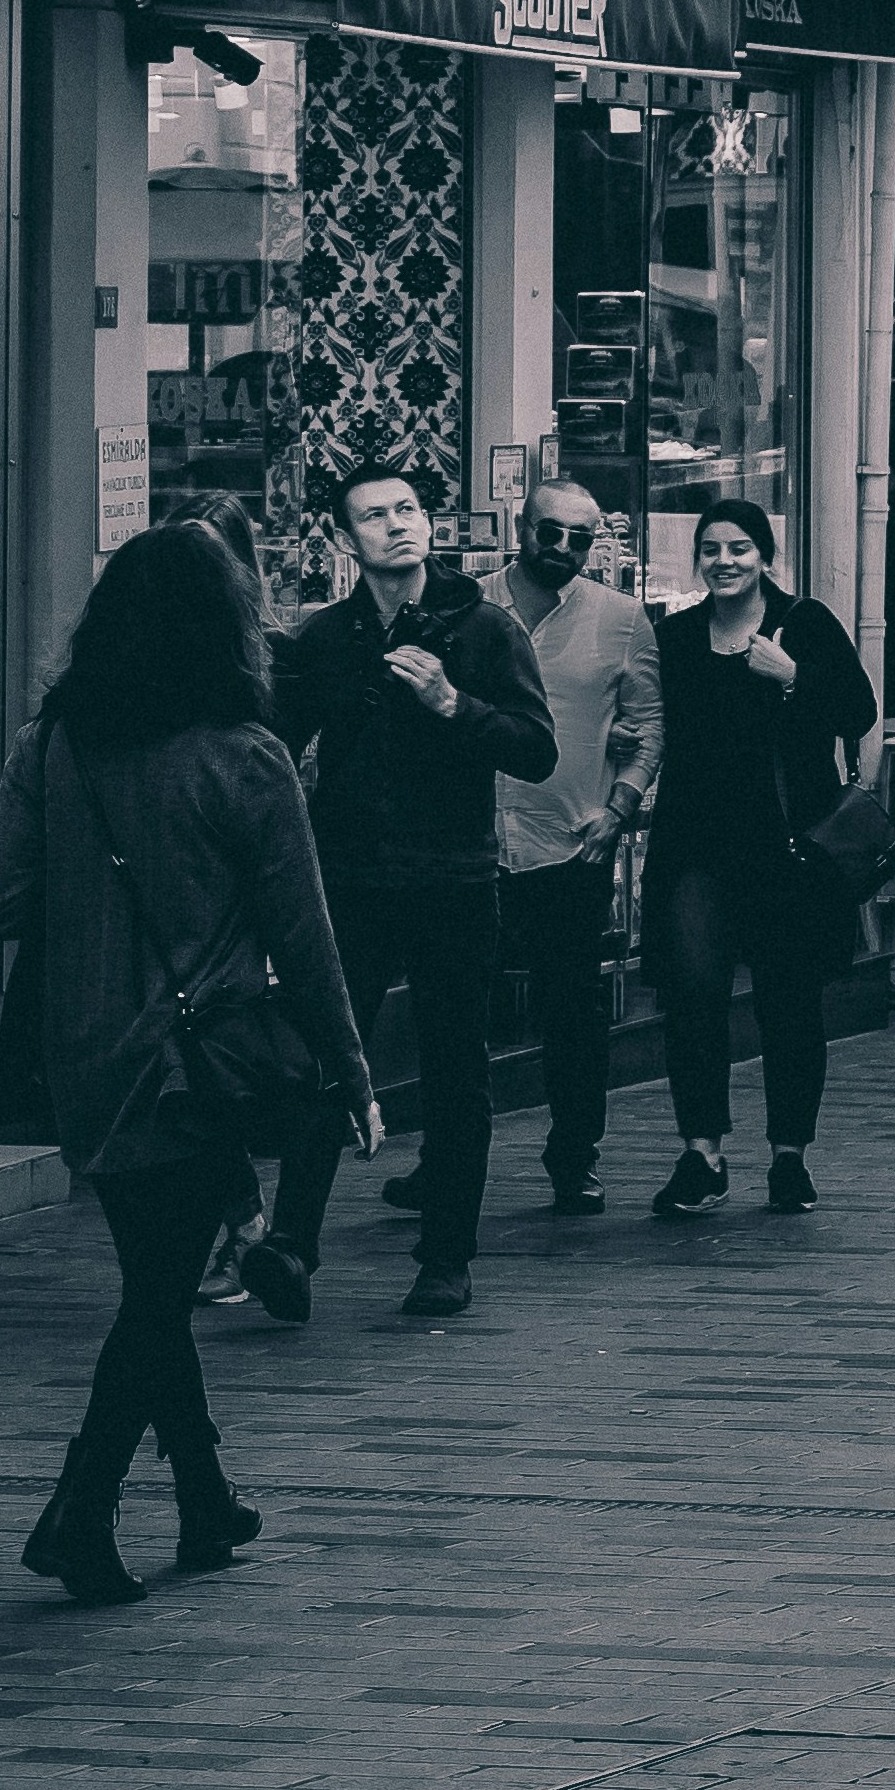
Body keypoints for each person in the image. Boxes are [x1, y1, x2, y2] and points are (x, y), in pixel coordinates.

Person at [0, 529, 370, 1601]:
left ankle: (204, 1496)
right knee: (158, 1292)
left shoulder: (56, 743)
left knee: (153, 1272)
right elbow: (304, 938)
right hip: (199, 1062)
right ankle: (81, 1510)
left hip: (84, 1057)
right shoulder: (246, 756)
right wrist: (349, 1069)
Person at [270, 461, 557, 1318]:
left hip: (453, 880)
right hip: (350, 881)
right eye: (374, 516)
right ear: (344, 539)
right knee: (328, 1059)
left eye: (406, 510)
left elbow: (536, 751)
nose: (397, 525)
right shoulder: (325, 638)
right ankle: (291, 1245)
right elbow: (277, 751)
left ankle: (446, 1258)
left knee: (455, 1071)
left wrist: (450, 705)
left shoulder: (486, 628)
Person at [642, 501, 877, 1218]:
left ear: (766, 555)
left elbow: (857, 714)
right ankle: (702, 1152)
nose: (724, 561)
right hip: (696, 846)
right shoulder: (677, 637)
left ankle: (789, 1157)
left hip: (785, 848)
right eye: (710, 549)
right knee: (693, 995)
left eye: (739, 548)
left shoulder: (803, 626)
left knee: (789, 1002)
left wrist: (792, 676)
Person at [489, 481, 659, 1221]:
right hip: (475, 846)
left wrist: (619, 809)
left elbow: (647, 723)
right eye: (548, 532)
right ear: (520, 528)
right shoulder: (469, 606)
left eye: (579, 538)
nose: (561, 549)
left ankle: (574, 1157)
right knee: (456, 1013)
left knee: (574, 1016)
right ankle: (440, 1162)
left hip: (571, 844)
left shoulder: (622, 620)